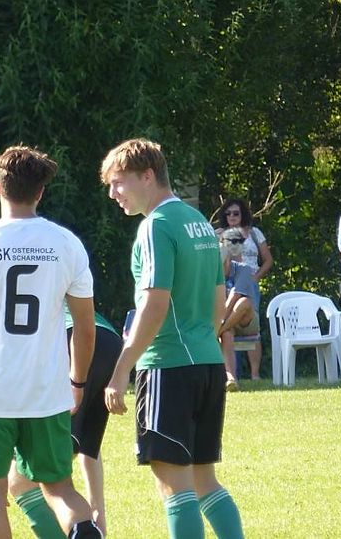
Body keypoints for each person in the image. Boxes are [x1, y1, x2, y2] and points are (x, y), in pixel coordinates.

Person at [0, 145, 102, 539]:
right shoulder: (67, 244)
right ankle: (84, 530)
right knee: (60, 488)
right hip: (46, 390)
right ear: (40, 192)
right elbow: (85, 328)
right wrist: (77, 382)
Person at [101, 138, 244, 539]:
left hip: (168, 366)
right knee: (204, 481)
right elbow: (218, 302)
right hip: (208, 362)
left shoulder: (156, 225)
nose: (113, 193)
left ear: (147, 176)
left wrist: (121, 370)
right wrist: (202, 339)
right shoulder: (198, 222)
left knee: (175, 489)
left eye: (118, 183)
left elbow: (154, 303)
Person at [7, 307, 122, 537]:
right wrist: (98, 508)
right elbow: (89, 447)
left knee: (21, 479)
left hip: (67, 339)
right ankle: (89, 524)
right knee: (74, 448)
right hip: (108, 341)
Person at [216, 197, 271, 380]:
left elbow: (267, 260)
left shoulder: (254, 233)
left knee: (244, 308)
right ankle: (232, 375)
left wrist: (253, 278)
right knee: (229, 332)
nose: (232, 216)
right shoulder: (218, 234)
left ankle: (255, 375)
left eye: (236, 213)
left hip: (247, 283)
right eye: (228, 213)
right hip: (225, 288)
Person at [218, 227, 261, 391]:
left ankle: (217, 331)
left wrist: (217, 326)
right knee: (227, 334)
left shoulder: (243, 268)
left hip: (245, 320)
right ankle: (231, 378)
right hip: (226, 322)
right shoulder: (212, 272)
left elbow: (234, 297)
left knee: (243, 302)